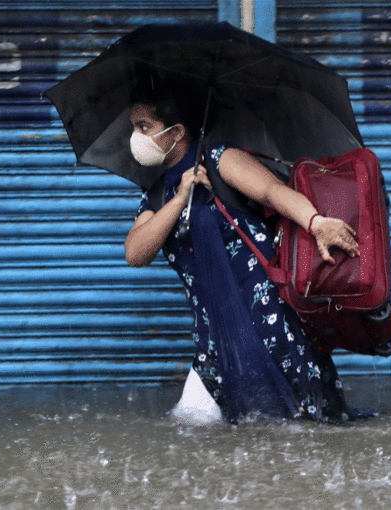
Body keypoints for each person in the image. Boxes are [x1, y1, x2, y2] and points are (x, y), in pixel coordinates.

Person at [124, 92, 361, 425]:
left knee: (298, 432)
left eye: (144, 126)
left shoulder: (219, 158)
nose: (136, 137)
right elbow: (135, 253)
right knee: (192, 430)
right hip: (215, 343)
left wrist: (315, 222)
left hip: (268, 327)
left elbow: (272, 192)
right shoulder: (157, 193)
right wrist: (179, 199)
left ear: (176, 132)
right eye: (134, 127)